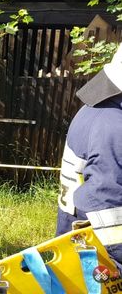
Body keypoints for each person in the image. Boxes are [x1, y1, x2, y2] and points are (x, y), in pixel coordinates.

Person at [56, 43, 122, 274]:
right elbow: (107, 207)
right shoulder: (115, 127)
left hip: (77, 244)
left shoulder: (95, 110)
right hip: (102, 259)